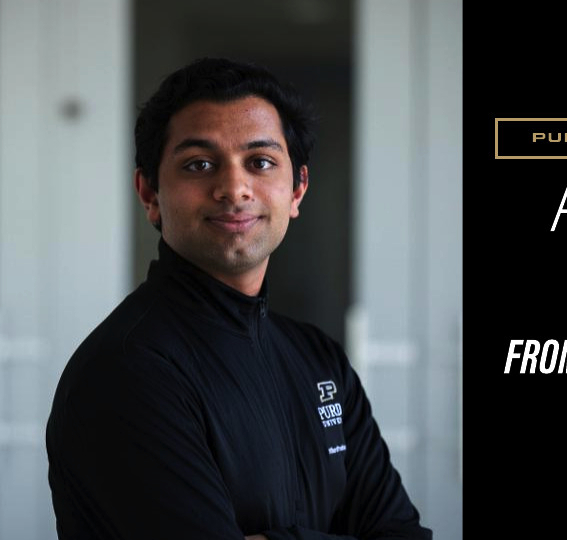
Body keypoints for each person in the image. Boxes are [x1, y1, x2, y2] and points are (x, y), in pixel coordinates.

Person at [46, 58, 431, 540]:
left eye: (260, 162)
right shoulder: (128, 370)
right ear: (150, 194)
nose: (233, 188)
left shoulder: (318, 360)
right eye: (199, 164)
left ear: (297, 190)